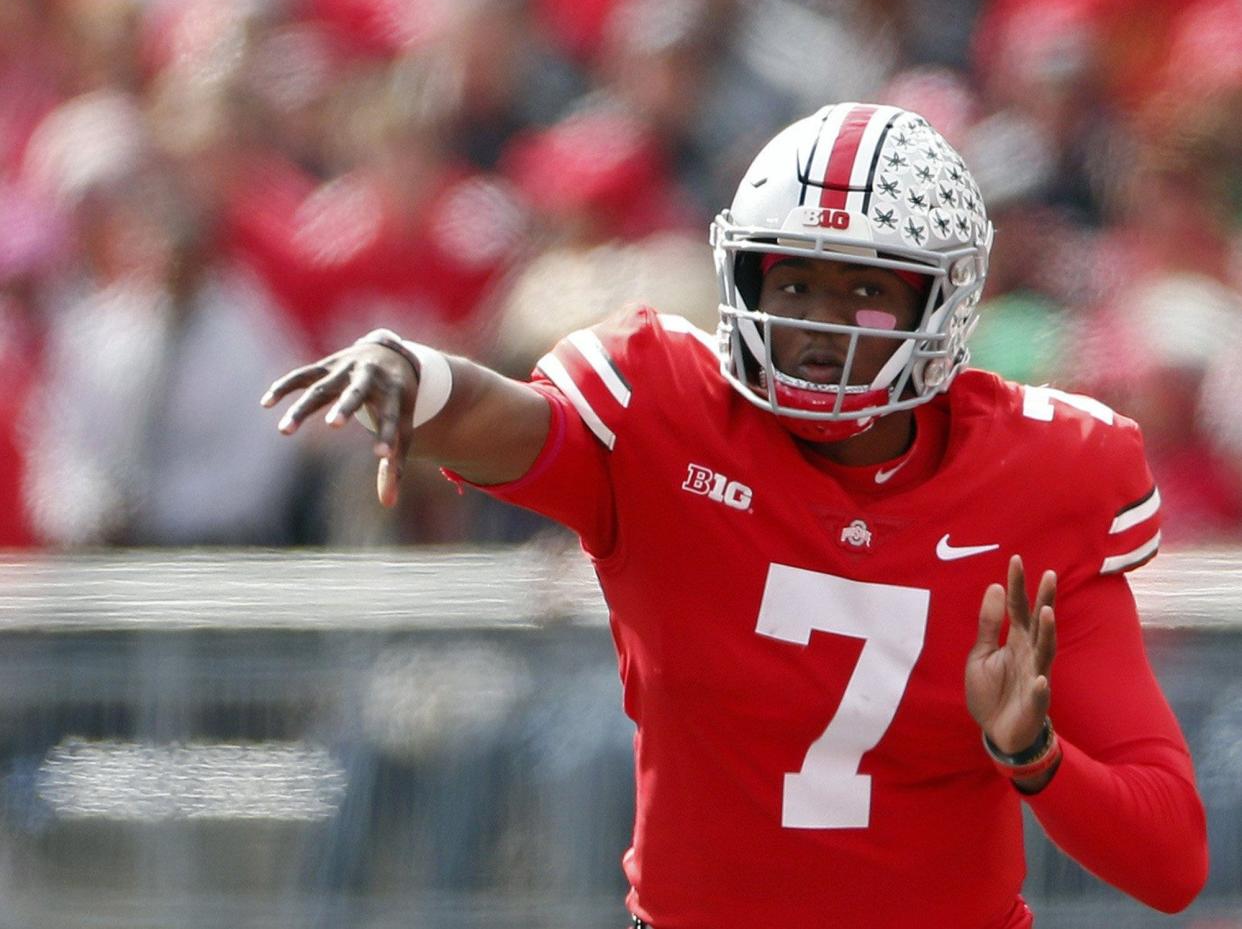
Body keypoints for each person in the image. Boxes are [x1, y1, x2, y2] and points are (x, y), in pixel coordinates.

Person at [262, 102, 1208, 928]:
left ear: (945, 299)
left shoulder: (1044, 477)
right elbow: (515, 420)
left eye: (867, 289)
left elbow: (1170, 861)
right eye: (793, 281)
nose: (819, 321)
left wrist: (1033, 754)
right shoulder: (666, 413)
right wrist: (419, 380)